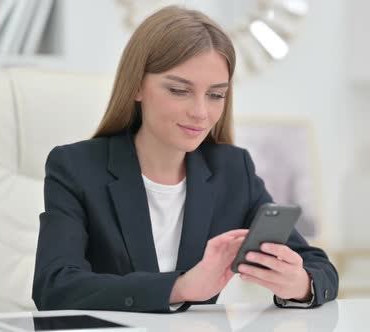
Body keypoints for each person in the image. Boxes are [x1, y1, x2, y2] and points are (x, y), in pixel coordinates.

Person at [32, 5, 338, 313]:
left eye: (216, 95)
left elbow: (320, 268)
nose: (201, 113)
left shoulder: (232, 170)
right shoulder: (75, 167)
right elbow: (54, 287)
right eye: (179, 90)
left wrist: (299, 284)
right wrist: (180, 287)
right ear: (137, 85)